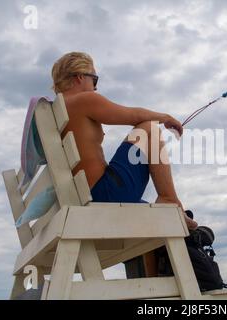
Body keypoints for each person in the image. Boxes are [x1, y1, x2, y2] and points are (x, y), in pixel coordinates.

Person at [51, 52, 198, 231]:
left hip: (81, 200)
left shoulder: (54, 113)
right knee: (148, 128)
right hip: (104, 194)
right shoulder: (83, 100)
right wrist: (165, 117)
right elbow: (134, 115)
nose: (95, 88)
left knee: (149, 216)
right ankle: (170, 199)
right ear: (80, 77)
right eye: (94, 80)